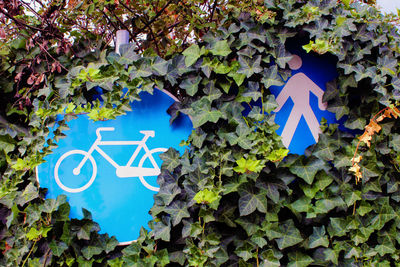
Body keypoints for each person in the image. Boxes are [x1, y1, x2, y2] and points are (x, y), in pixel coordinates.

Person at [274, 54, 327, 148]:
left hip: (305, 106)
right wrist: (277, 106)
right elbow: (283, 96)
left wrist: (277, 106)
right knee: (294, 126)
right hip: (299, 107)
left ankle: (323, 145)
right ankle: (283, 146)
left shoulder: (299, 78)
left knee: (312, 125)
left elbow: (318, 91)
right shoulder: (295, 79)